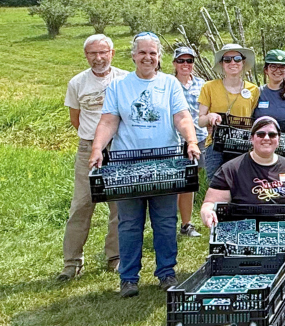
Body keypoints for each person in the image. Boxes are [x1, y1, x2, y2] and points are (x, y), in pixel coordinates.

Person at [89, 33, 200, 298]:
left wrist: (191, 141)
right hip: (127, 163)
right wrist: (97, 149)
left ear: (159, 57)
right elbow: (108, 121)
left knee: (164, 221)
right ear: (133, 56)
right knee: (129, 223)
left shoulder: (170, 84)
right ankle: (128, 278)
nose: (147, 58)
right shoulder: (119, 86)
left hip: (166, 162)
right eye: (142, 53)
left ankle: (166, 273)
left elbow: (182, 117)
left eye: (152, 53)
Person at [58, 34, 129, 282]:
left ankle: (115, 257)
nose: (98, 58)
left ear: (112, 53)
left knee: (119, 207)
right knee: (81, 206)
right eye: (92, 54)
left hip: (119, 149)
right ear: (85, 55)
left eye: (103, 52)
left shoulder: (125, 79)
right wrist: (92, 141)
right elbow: (75, 119)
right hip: (88, 149)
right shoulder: (77, 83)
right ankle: (71, 263)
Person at [200, 116, 285, 226]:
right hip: (244, 231)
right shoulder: (231, 169)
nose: (266, 138)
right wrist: (208, 211)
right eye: (260, 134)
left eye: (272, 135)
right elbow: (211, 202)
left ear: (278, 140)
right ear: (252, 138)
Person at [197, 43, 260, 181]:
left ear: (243, 62)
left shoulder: (254, 90)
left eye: (237, 58)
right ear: (222, 63)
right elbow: (200, 121)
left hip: (244, 146)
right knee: (217, 189)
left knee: (243, 188)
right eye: (227, 59)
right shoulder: (209, 87)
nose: (233, 62)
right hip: (215, 147)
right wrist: (210, 117)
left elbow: (254, 118)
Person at [171, 45, 206, 238]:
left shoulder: (202, 84)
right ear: (174, 63)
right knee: (178, 182)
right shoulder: (168, 83)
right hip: (175, 140)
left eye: (189, 61)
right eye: (181, 61)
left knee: (191, 181)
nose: (185, 65)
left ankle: (186, 224)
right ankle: (171, 222)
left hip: (200, 138)